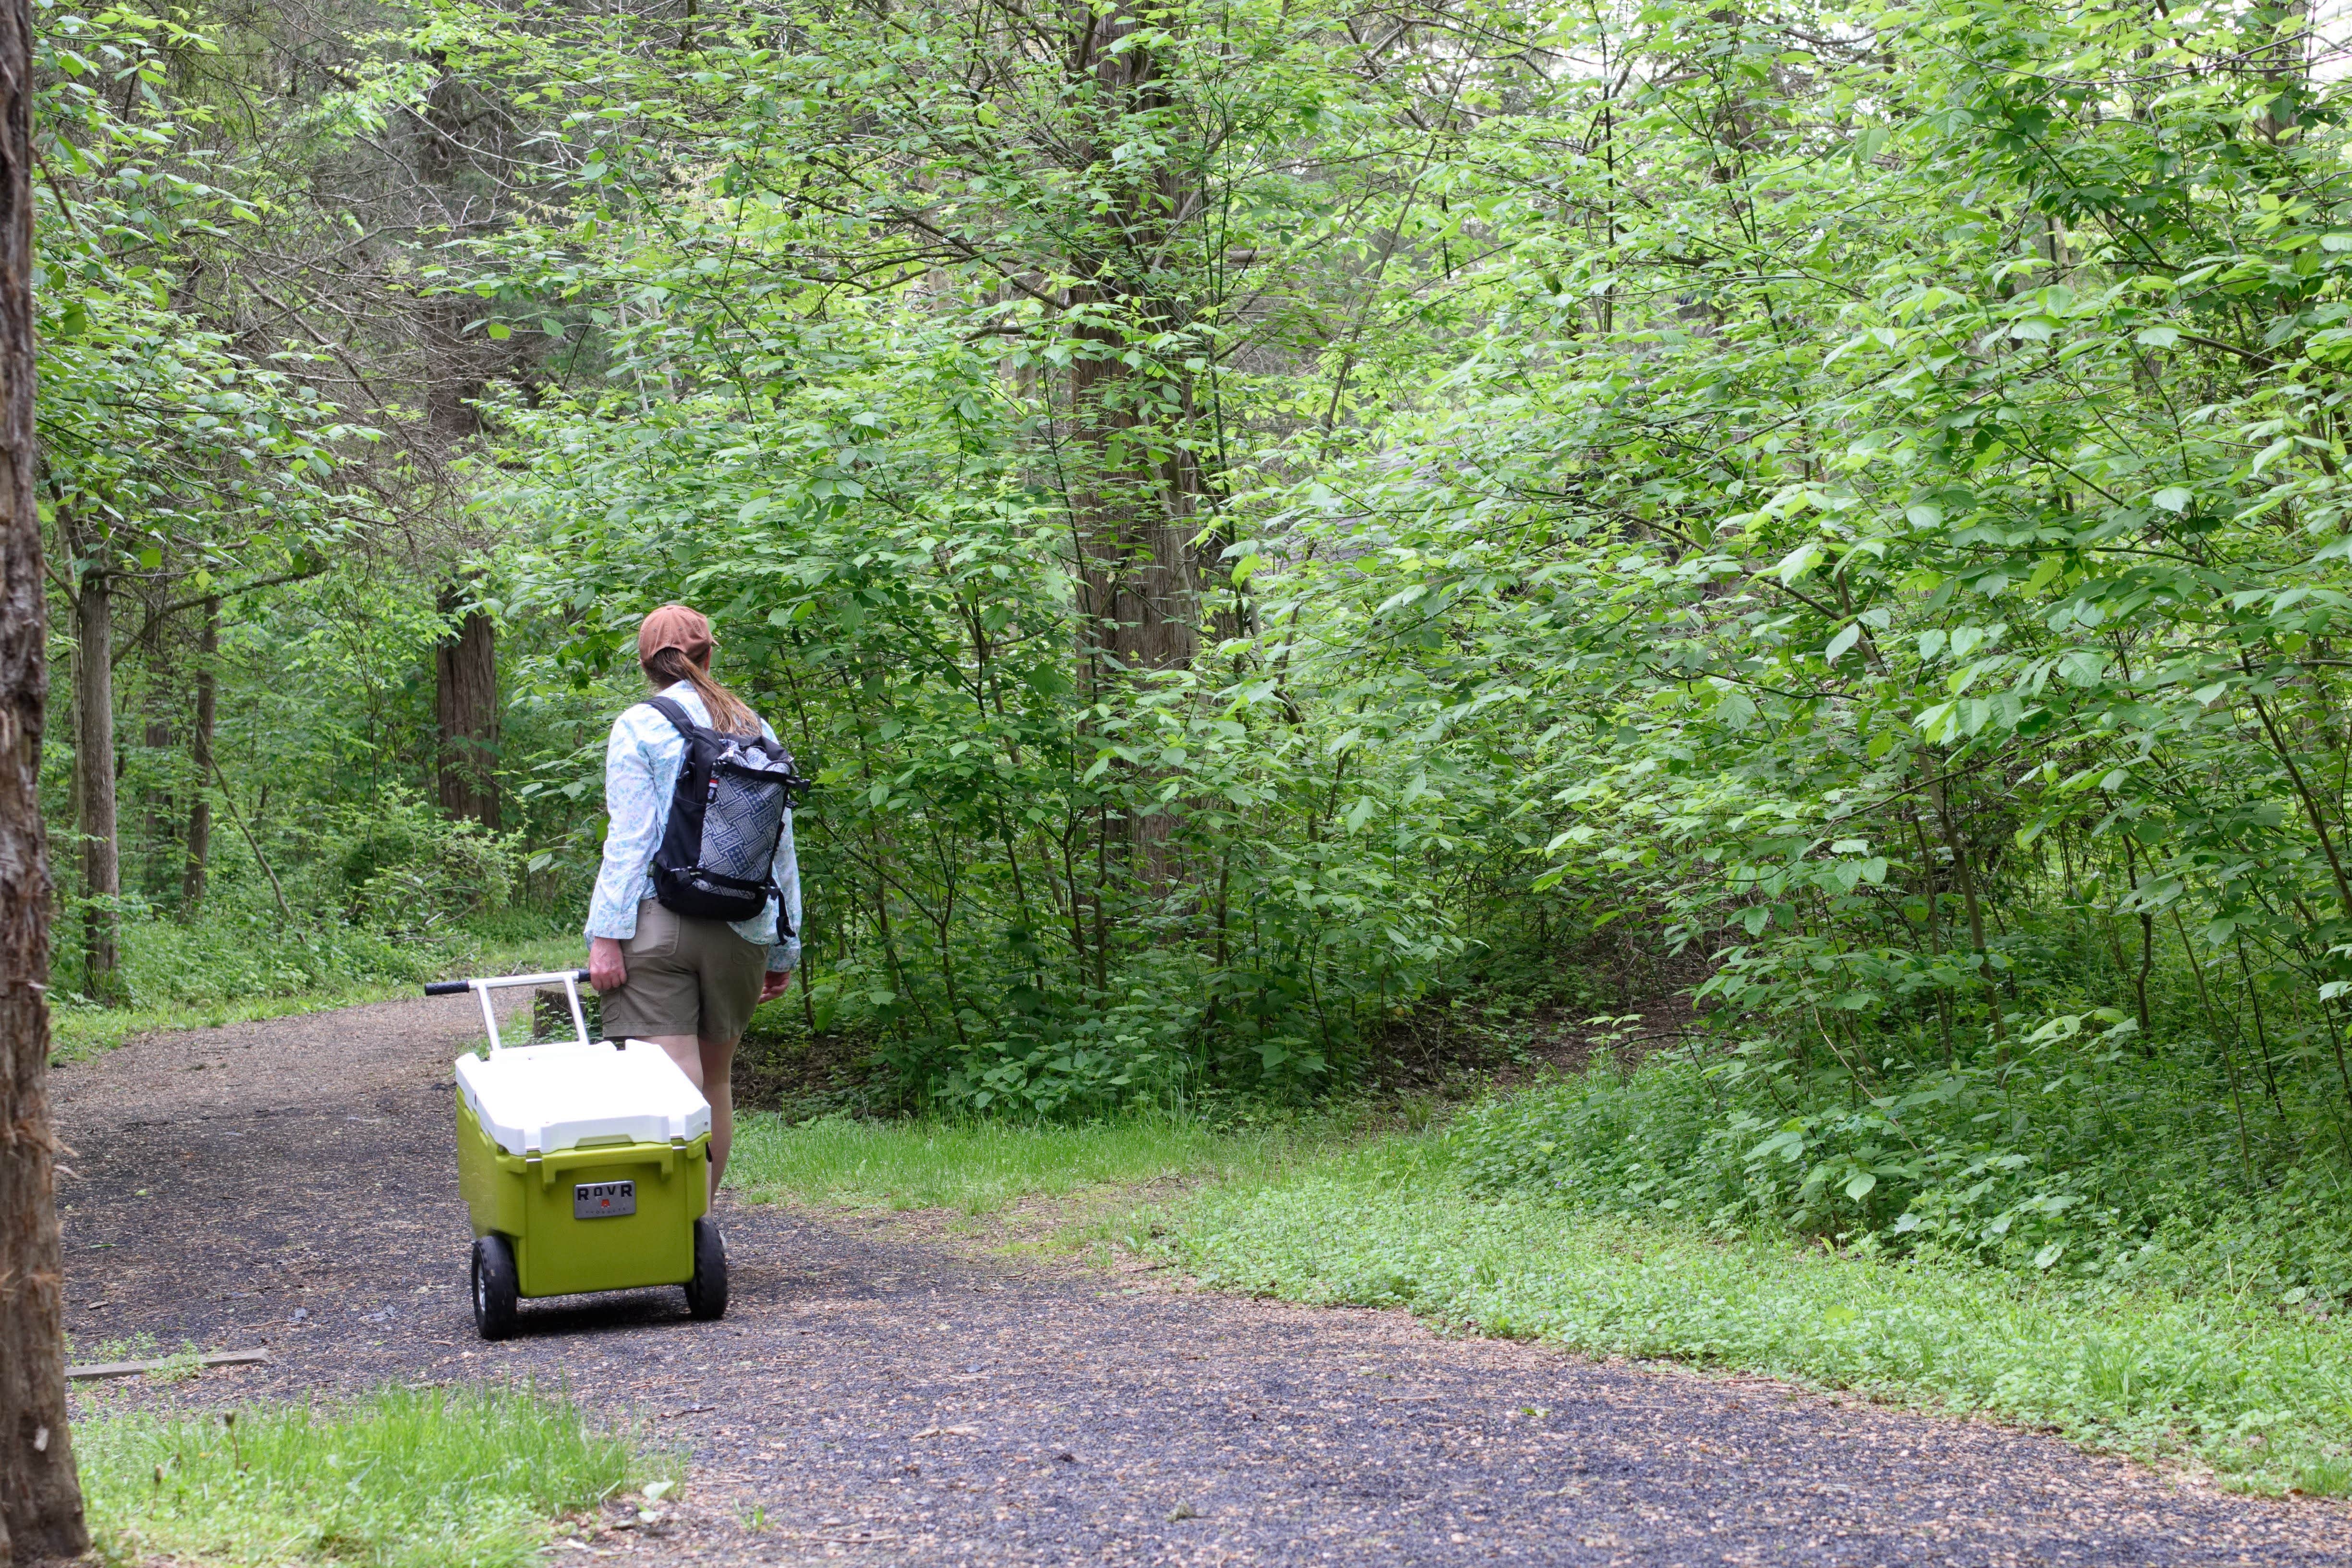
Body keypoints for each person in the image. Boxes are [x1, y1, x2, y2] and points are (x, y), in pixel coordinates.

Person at [585, 604, 800, 1200]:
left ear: (647, 666)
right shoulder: (756, 725)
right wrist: (786, 943)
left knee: (670, 1079)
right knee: (715, 1082)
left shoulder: (639, 724)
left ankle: (669, 1234)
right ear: (710, 654)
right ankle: (697, 1230)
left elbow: (628, 840)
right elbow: (781, 847)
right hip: (743, 925)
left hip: (661, 919)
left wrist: (606, 933)